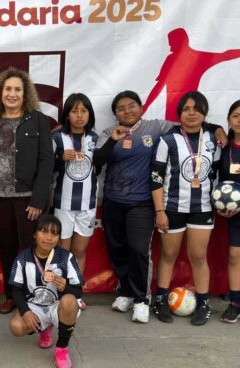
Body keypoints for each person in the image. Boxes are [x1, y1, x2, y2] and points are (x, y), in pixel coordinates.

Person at [93, 90, 226, 324]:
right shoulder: (108, 132)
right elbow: (97, 162)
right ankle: (126, 292)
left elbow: (191, 123)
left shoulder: (157, 127)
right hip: (114, 199)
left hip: (143, 202)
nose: (127, 111)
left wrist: (217, 128)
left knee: (139, 250)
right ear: (115, 114)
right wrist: (113, 139)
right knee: (118, 249)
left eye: (131, 106)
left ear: (141, 107)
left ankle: (142, 300)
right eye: (121, 108)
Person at [0, 67, 54, 314]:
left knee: (30, 250)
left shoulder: (38, 120)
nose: (12, 94)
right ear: (0, 93)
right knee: (7, 250)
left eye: (17, 89)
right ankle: (11, 295)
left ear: (25, 94)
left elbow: (47, 161)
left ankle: (33, 297)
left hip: (27, 199)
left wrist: (38, 199)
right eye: (8, 89)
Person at [151, 91, 220, 326]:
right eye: (187, 109)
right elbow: (156, 178)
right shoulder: (167, 140)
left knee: (198, 257)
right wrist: (159, 211)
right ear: (179, 113)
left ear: (204, 113)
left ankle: (203, 303)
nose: (192, 113)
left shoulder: (213, 138)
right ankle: (160, 300)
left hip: (202, 208)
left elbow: (218, 174)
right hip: (172, 207)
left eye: (197, 109)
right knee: (168, 255)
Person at [9, 215, 82, 368]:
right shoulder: (22, 259)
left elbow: (78, 292)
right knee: (16, 326)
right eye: (44, 231)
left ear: (59, 238)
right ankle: (45, 328)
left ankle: (62, 349)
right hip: (35, 305)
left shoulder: (66, 258)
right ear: (34, 234)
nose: (49, 238)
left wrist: (65, 287)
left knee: (69, 300)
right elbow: (16, 289)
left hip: (58, 305)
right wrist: (26, 312)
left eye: (54, 233)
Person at [52, 93, 98, 309]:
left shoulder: (95, 138)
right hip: (63, 204)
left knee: (79, 251)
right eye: (74, 111)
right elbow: (46, 168)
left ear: (90, 114)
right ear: (67, 115)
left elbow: (102, 165)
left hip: (87, 204)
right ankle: (60, 293)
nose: (79, 115)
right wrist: (60, 159)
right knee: (62, 251)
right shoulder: (56, 137)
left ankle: (76, 292)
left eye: (84, 111)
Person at [217, 99, 240, 323]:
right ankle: (235, 303)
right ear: (229, 120)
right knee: (235, 256)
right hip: (235, 214)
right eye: (236, 116)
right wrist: (223, 205)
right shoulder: (225, 148)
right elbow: (221, 182)